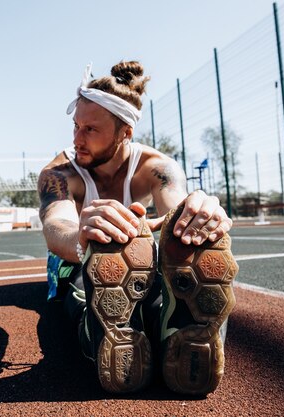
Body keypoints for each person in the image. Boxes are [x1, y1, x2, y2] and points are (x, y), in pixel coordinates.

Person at [38, 61, 238, 396]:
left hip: (138, 255)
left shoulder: (158, 168)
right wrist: (82, 235)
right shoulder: (58, 174)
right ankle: (102, 330)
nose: (77, 139)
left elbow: (174, 206)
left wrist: (198, 214)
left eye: (90, 130)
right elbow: (55, 225)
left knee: (178, 249)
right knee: (84, 271)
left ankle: (182, 332)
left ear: (125, 133)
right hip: (75, 256)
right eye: (75, 126)